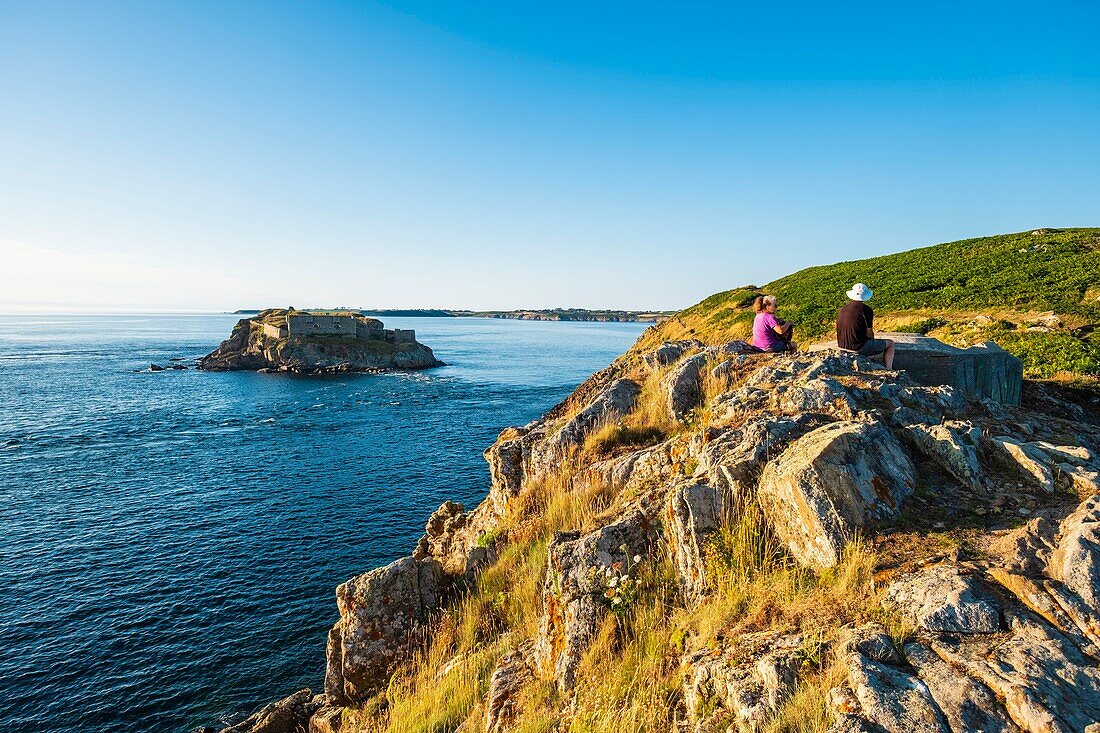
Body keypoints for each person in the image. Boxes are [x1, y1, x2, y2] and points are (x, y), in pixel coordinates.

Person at [836, 282, 895, 368]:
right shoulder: (866, 310)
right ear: (865, 295)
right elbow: (869, 333)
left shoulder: (843, 308)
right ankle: (889, 369)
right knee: (890, 344)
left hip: (841, 346)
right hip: (857, 348)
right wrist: (872, 343)